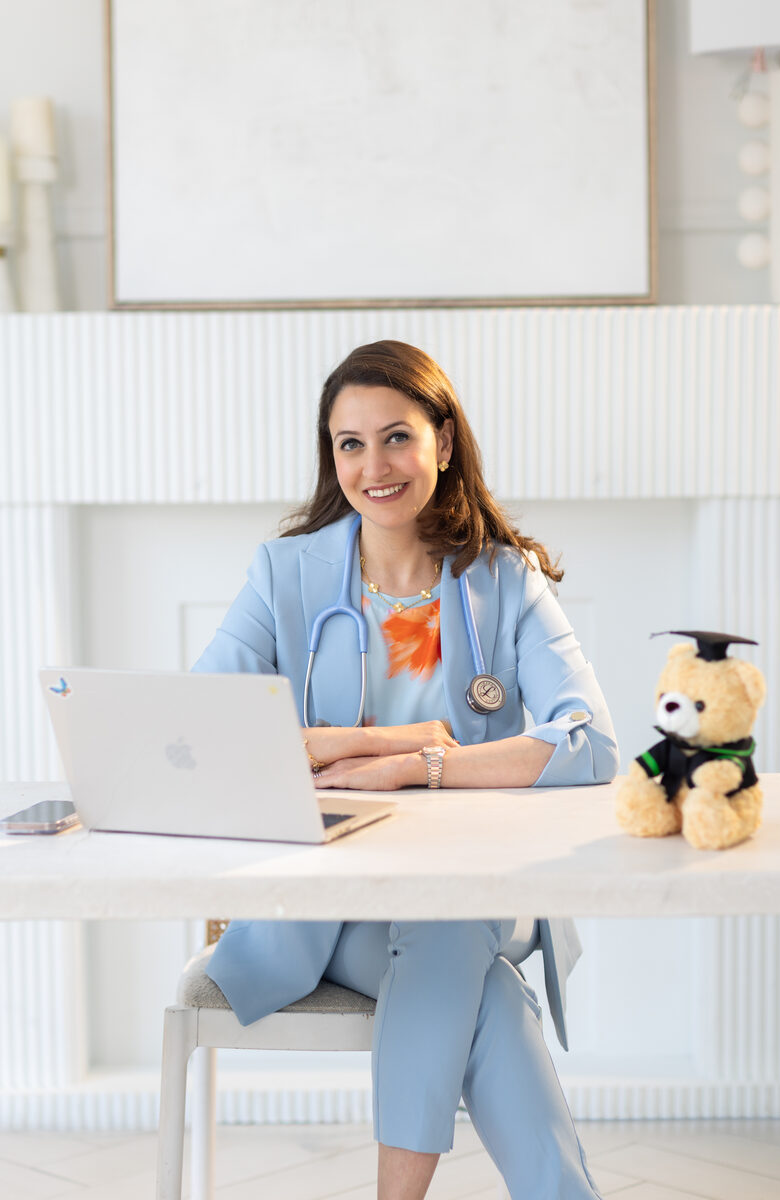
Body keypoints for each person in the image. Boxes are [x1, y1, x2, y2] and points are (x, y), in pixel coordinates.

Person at [193, 340, 618, 1199]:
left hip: (469, 895)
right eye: (349, 443)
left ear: (444, 443)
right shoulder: (287, 573)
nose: (373, 465)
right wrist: (393, 744)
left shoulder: (506, 580)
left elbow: (591, 743)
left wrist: (424, 767)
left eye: (397, 437)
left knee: (449, 913)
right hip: (324, 909)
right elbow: (213, 729)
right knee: (482, 987)